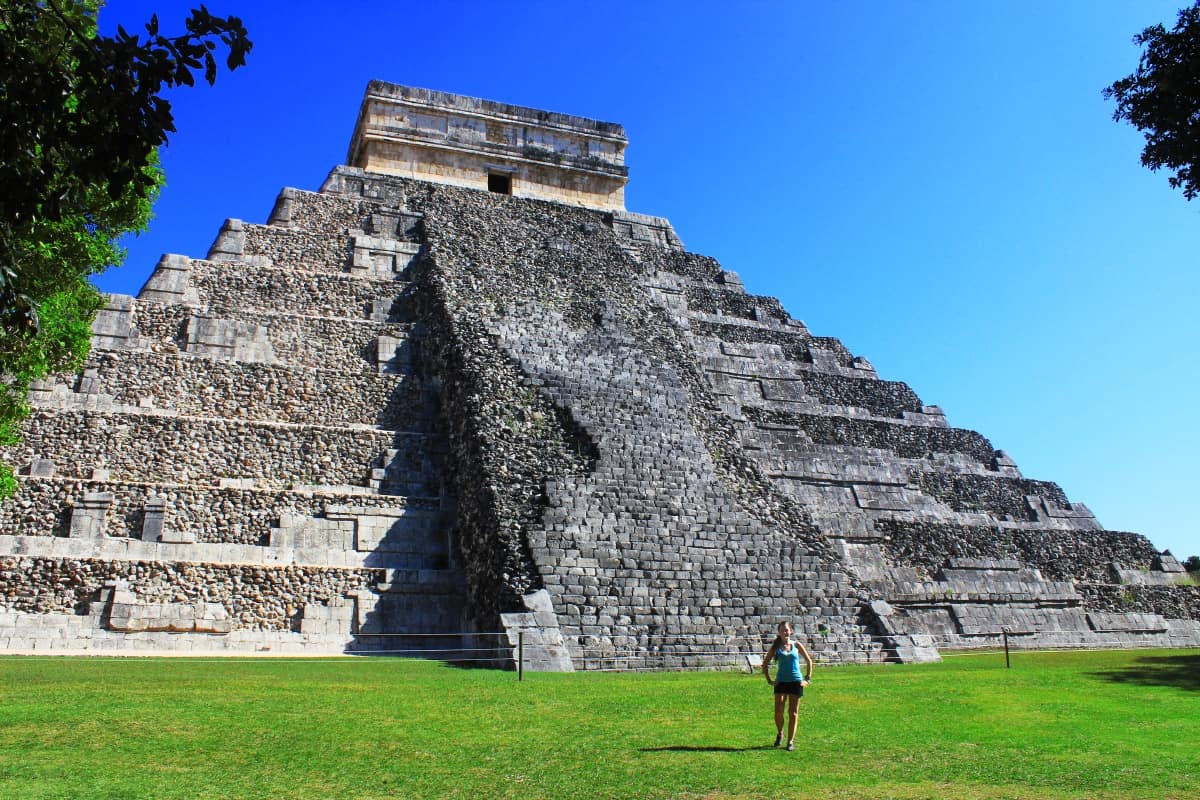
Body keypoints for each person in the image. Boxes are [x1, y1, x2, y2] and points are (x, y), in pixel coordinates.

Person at [761, 621, 813, 751]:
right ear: (779, 632)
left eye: (787, 630)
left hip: (796, 681)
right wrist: (770, 680)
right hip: (781, 682)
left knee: (793, 712)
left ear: (791, 631)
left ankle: (790, 741)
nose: (785, 632)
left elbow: (809, 661)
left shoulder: (796, 645)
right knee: (779, 711)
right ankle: (780, 733)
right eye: (782, 630)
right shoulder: (776, 647)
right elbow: (765, 664)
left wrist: (807, 679)